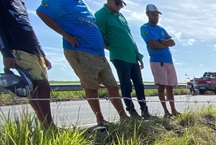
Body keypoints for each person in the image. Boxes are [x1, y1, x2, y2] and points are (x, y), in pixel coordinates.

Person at [37, 0, 128, 128]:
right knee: (91, 86)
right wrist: (66, 36)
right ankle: (100, 118)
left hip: (98, 53)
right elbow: (41, 12)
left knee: (112, 85)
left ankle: (123, 116)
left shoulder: (82, 2)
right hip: (80, 50)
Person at [0, 0, 55, 130]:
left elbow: (30, 28)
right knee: (42, 86)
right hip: (17, 49)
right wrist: (6, 53)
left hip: (34, 50)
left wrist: (42, 54)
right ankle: (49, 126)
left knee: (37, 89)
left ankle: (46, 126)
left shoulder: (21, 3)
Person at [95, 0, 150, 119]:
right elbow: (98, 36)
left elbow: (130, 36)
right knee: (126, 85)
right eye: (118, 3)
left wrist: (138, 55)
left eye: (122, 4)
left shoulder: (120, 15)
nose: (120, 6)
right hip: (119, 56)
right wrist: (112, 47)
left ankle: (145, 111)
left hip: (132, 57)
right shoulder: (101, 15)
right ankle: (132, 112)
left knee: (139, 85)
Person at [140, 4, 178, 118]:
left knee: (170, 87)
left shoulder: (161, 29)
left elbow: (172, 42)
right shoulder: (145, 28)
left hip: (168, 60)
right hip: (157, 61)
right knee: (161, 86)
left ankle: (173, 110)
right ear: (147, 14)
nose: (156, 17)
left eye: (157, 15)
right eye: (153, 15)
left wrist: (160, 41)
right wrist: (163, 43)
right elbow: (153, 45)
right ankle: (166, 112)